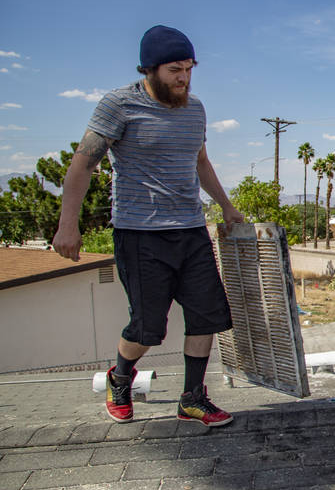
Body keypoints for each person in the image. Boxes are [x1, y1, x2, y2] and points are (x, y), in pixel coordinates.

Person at [53, 25, 243, 427]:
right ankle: (120, 376)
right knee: (147, 327)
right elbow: (82, 164)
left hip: (191, 229)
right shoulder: (118, 105)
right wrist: (68, 224)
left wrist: (226, 206)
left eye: (190, 69)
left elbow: (201, 162)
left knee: (207, 316)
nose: (184, 78)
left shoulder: (195, 110)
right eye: (176, 69)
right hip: (140, 234)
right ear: (151, 69)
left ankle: (193, 398)